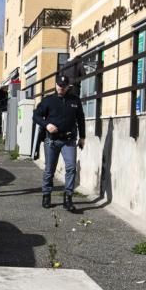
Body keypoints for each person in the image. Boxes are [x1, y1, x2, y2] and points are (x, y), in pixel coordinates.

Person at [33, 73, 86, 211]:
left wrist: (82, 137)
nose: (60, 88)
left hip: (69, 140)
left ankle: (68, 197)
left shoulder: (75, 100)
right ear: (56, 84)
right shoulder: (48, 100)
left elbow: (80, 118)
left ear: (68, 86)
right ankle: (46, 195)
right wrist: (46, 125)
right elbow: (36, 115)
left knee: (71, 168)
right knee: (49, 170)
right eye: (58, 85)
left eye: (63, 86)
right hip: (52, 141)